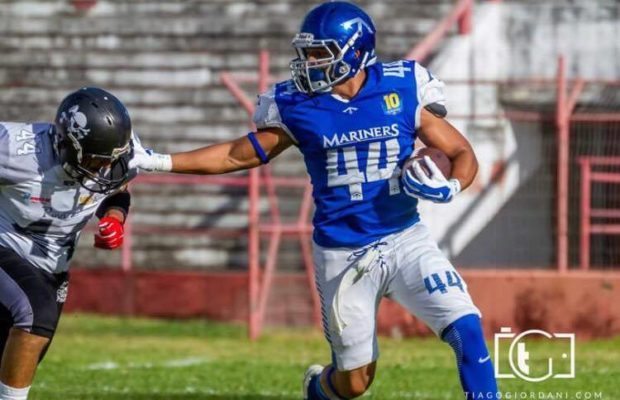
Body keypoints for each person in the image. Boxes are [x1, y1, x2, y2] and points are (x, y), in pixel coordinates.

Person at [131, 2, 498, 399]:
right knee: (354, 383)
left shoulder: (403, 86)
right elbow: (237, 154)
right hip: (343, 253)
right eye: (306, 52)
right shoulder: (296, 102)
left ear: (355, 52)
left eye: (319, 53)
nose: (307, 62)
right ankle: (318, 390)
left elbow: (462, 153)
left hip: (405, 239)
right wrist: (159, 161)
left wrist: (452, 188)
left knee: (467, 328)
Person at [0, 87, 138, 400]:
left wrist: (115, 218)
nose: (101, 167)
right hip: (7, 247)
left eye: (107, 160)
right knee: (37, 316)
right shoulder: (14, 149)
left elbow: (118, 187)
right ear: (66, 143)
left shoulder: (117, 156)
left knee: (24, 352)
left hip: (52, 268)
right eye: (93, 158)